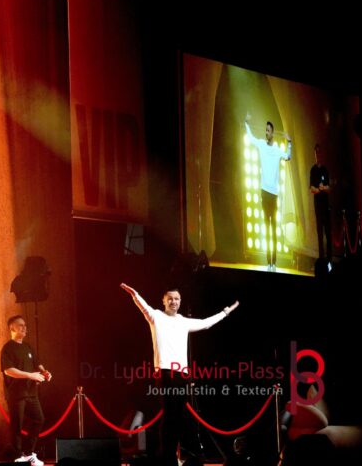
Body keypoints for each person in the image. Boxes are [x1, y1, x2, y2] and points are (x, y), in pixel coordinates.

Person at [120, 283, 239, 466]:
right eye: (170, 299)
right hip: (166, 372)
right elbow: (143, 306)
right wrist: (134, 293)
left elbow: (206, 323)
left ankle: (173, 455)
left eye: (176, 299)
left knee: (178, 417)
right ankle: (166, 457)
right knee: (170, 416)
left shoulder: (184, 321)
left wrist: (225, 312)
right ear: (164, 301)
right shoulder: (156, 316)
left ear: (180, 301)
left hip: (182, 375)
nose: (173, 301)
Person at [1, 315, 52, 466]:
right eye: (20, 325)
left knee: (39, 419)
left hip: (31, 393)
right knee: (17, 425)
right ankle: (18, 456)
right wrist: (30, 375)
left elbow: (37, 364)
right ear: (12, 328)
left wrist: (45, 372)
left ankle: (29, 453)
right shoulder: (8, 348)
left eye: (25, 325)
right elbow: (8, 370)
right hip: (16, 394)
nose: (24, 328)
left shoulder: (28, 347)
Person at [244, 113, 292, 271]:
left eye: (268, 130)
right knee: (266, 227)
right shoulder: (261, 145)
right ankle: (268, 261)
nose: (266, 132)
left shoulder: (277, 150)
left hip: (274, 194)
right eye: (265, 130)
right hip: (264, 192)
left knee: (273, 229)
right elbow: (251, 138)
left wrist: (289, 142)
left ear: (272, 133)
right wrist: (246, 123)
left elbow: (288, 157)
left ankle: (274, 261)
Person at [309, 144, 332, 262]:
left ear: (321, 154)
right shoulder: (313, 170)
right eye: (316, 153)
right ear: (314, 154)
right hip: (317, 206)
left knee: (328, 231)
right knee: (319, 232)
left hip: (326, 206)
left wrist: (324, 188)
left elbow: (329, 188)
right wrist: (318, 189)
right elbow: (311, 188)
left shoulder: (325, 170)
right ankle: (321, 257)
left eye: (319, 153)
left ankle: (329, 257)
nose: (317, 155)